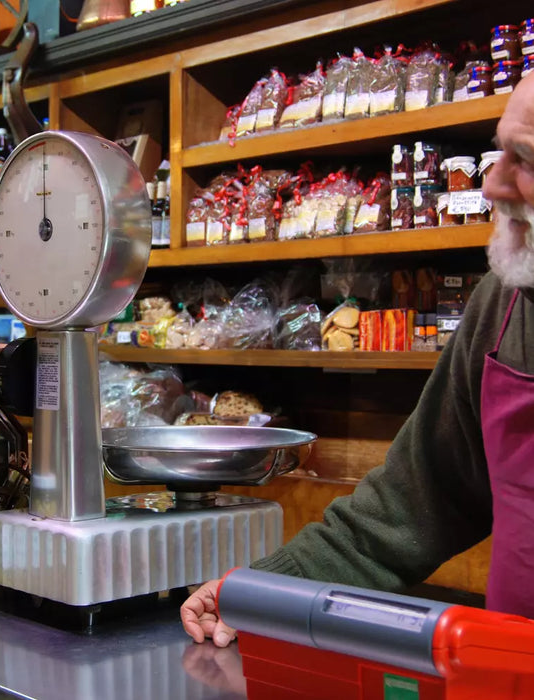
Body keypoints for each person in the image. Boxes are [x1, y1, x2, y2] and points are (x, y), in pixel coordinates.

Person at [181, 72, 534, 648]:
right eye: (500, 154)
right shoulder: (506, 302)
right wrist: (263, 594)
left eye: (526, 161)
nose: (492, 186)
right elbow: (407, 510)